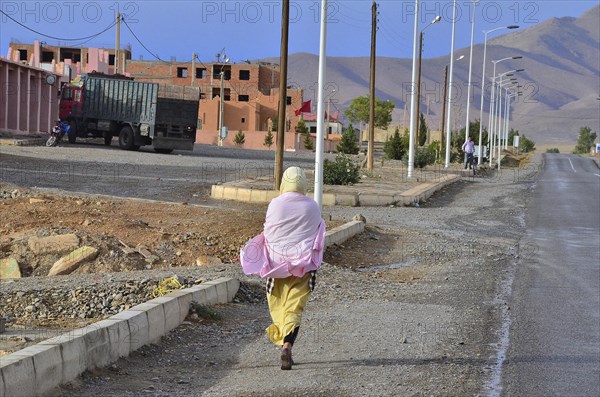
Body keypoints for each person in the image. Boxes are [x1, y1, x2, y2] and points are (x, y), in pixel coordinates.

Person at [240, 167, 326, 370]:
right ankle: (287, 344)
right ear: (303, 184)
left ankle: (282, 341)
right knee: (294, 307)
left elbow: (269, 231)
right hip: (303, 266)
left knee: (278, 304)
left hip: (276, 266)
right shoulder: (312, 206)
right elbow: (318, 234)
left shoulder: (275, 204)